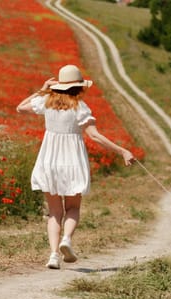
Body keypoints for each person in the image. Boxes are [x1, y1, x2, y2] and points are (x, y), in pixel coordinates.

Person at [16, 64, 135, 269]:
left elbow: (20, 107)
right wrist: (122, 151)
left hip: (49, 161)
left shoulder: (46, 102)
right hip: (72, 161)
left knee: (54, 212)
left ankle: (53, 255)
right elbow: (95, 136)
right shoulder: (81, 107)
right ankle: (67, 240)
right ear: (79, 87)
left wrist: (43, 89)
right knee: (72, 207)